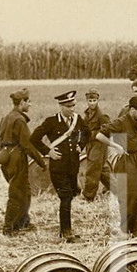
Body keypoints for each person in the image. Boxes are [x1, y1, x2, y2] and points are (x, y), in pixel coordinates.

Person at [31, 90, 91, 242]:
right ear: (61, 106)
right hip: (58, 167)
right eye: (69, 106)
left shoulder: (77, 119)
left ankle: (66, 230)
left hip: (73, 166)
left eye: (74, 105)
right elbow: (34, 139)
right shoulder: (51, 122)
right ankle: (66, 232)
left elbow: (87, 132)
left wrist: (81, 145)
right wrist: (48, 152)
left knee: (70, 196)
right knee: (65, 197)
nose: (72, 109)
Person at [95, 95, 137, 237]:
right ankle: (125, 230)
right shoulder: (121, 122)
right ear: (132, 109)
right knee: (131, 195)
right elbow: (99, 136)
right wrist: (115, 145)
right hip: (127, 160)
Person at [0, 88, 47, 235]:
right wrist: (42, 162)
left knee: (25, 191)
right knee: (16, 193)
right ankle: (8, 228)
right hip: (17, 158)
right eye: (28, 101)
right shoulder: (19, 120)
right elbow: (27, 145)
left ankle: (23, 222)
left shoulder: (6, 118)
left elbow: (1, 139)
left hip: (5, 156)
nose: (30, 104)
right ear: (22, 103)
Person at [80, 88, 111, 201]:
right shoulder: (87, 114)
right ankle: (118, 188)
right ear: (87, 101)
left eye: (94, 100)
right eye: (90, 100)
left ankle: (88, 196)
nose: (92, 103)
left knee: (92, 170)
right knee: (102, 170)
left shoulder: (102, 116)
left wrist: (91, 134)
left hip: (99, 145)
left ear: (98, 100)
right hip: (90, 145)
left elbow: (107, 131)